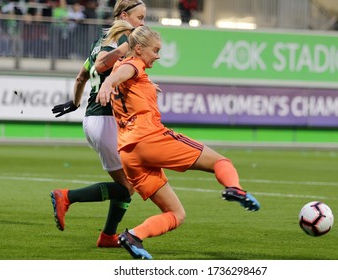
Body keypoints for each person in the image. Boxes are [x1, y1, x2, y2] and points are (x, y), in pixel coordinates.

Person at [96, 25, 261, 259]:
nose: (158, 55)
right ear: (140, 49)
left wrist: (141, 86)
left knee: (175, 213)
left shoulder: (131, 70)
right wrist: (107, 83)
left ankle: (133, 236)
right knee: (221, 161)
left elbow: (122, 76)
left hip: (129, 153)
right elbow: (118, 75)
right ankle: (235, 188)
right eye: (155, 50)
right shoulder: (133, 65)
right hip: (150, 139)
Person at [50, 0, 147, 248]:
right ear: (124, 16)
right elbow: (103, 63)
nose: (142, 23)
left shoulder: (98, 42)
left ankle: (108, 236)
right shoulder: (122, 39)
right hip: (105, 120)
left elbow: (82, 75)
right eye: (140, 17)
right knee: (128, 188)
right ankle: (67, 197)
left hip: (96, 119)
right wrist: (125, 49)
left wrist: (75, 102)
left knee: (127, 185)